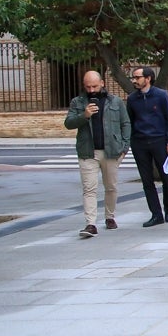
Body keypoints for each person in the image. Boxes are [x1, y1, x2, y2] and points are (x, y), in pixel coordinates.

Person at [64, 71, 131, 238]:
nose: (91, 90)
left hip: (111, 151)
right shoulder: (78, 102)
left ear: (102, 83)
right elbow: (69, 123)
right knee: (89, 189)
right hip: (88, 151)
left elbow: (125, 123)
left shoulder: (114, 101)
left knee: (111, 187)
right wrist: (84, 115)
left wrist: (124, 146)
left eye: (94, 86)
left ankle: (110, 217)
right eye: (88, 87)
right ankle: (90, 224)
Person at [127, 66, 168, 227]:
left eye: (137, 77)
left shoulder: (161, 96)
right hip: (140, 142)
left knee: (166, 177)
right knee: (146, 180)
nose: (135, 80)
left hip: (159, 141)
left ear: (148, 78)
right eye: (133, 78)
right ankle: (156, 214)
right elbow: (130, 120)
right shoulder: (132, 99)